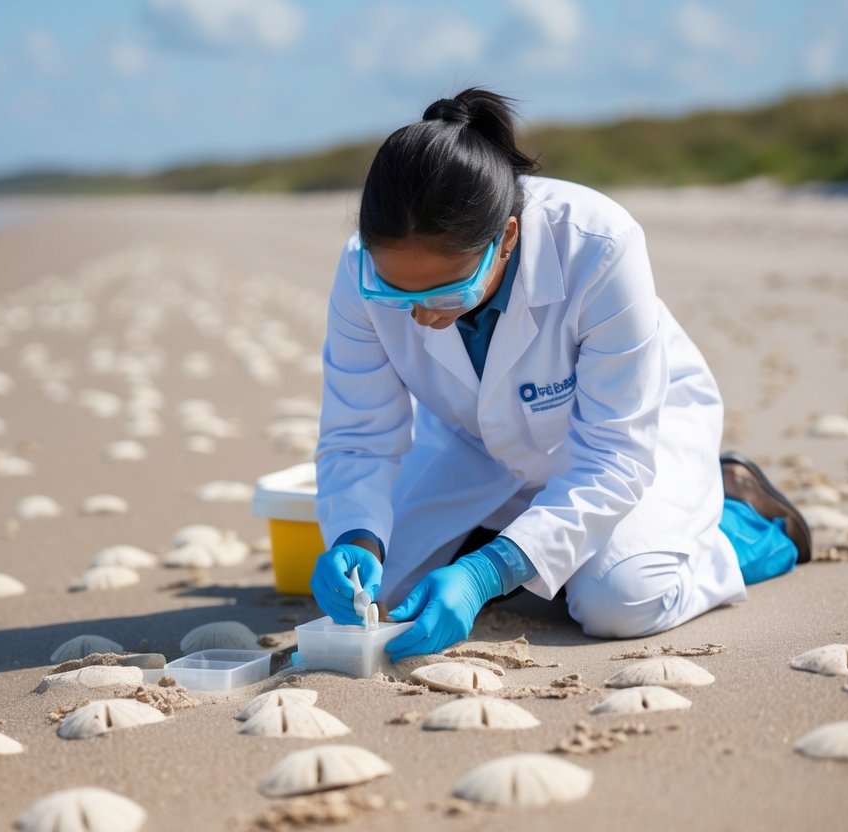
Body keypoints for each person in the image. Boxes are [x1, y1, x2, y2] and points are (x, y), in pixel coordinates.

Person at [309, 87, 812, 663]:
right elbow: (358, 435)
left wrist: (486, 571)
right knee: (377, 595)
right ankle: (512, 541)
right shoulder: (358, 269)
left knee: (620, 599)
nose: (421, 314)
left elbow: (614, 455)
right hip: (477, 443)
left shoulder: (599, 245)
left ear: (508, 240)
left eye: (447, 291)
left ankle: (742, 522)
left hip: (630, 437)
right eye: (395, 293)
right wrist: (356, 535)